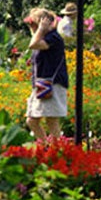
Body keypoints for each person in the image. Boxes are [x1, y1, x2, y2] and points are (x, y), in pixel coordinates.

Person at [24, 7, 69, 140]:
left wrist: (41, 29)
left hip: (52, 85)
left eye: (33, 23)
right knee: (32, 121)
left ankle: (55, 150)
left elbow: (33, 44)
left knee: (51, 120)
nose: (31, 26)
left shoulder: (53, 38)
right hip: (42, 85)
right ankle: (45, 148)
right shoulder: (44, 36)